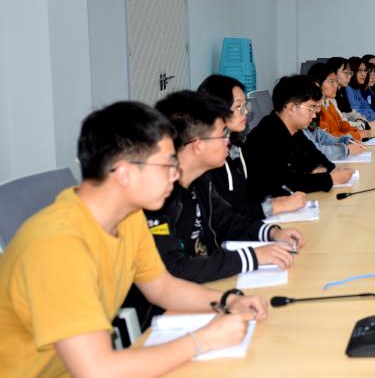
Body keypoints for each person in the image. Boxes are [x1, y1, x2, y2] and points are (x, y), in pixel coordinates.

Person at [0, 101, 266, 376]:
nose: (175, 175)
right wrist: (202, 341)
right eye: (167, 165)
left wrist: (227, 300)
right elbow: (99, 371)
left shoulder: (128, 217)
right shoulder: (58, 247)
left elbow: (161, 287)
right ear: (124, 172)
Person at [129, 91, 303, 326]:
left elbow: (226, 220)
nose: (228, 141)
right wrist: (253, 256)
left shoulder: (201, 180)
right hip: (164, 317)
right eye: (223, 134)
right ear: (198, 145)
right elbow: (173, 269)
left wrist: (271, 233)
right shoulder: (156, 199)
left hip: (204, 290)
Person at [196, 74, 307, 220]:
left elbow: (250, 196)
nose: (246, 111)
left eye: (245, 105)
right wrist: (274, 207)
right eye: (238, 106)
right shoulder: (208, 159)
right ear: (216, 110)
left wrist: (272, 201)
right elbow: (224, 216)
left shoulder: (236, 147)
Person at [244, 75, 355, 197]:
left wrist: (320, 169)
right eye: (311, 108)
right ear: (291, 108)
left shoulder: (295, 131)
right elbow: (283, 184)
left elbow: (317, 158)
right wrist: (329, 179)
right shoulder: (265, 136)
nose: (314, 115)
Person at [308, 62, 366, 141]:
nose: (335, 85)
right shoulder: (315, 109)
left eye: (336, 81)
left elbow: (342, 125)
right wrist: (354, 135)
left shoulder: (330, 102)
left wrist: (356, 131)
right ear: (317, 84)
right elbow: (327, 137)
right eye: (331, 81)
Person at [345, 56, 375, 122]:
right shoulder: (348, 89)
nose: (364, 74)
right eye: (359, 70)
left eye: (365, 71)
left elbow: (367, 107)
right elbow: (357, 114)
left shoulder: (357, 88)